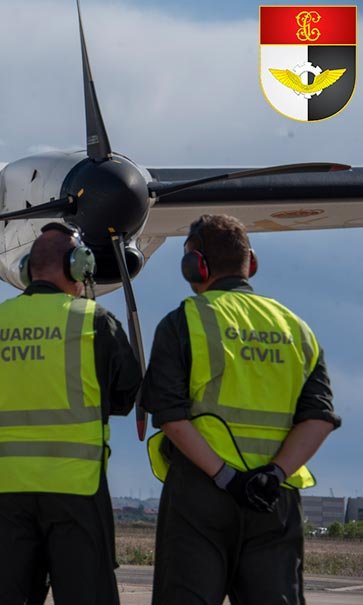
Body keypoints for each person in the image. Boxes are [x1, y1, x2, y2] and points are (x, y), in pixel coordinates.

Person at [142, 214, 340, 604]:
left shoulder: (184, 321)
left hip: (202, 493)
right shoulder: (296, 328)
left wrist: (224, 476)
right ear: (251, 262)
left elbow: (170, 416)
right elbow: (318, 417)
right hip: (272, 497)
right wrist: (274, 473)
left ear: (195, 265)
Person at [0, 222, 141, 605]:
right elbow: (126, 396)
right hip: (75, 490)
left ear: (29, 267)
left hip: (5, 488)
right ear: (78, 267)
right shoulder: (94, 321)